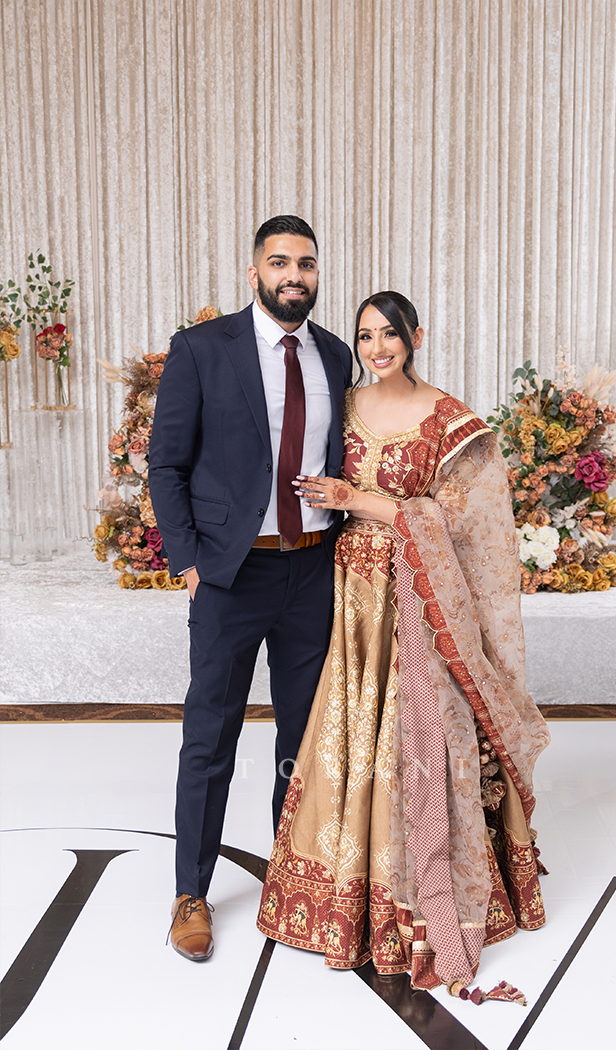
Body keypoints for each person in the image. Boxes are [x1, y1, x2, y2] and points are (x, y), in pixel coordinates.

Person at [256, 291, 550, 999]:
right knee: (348, 731)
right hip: (349, 596)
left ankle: (419, 897)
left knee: (413, 738)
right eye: (365, 336)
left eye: (389, 334)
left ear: (416, 335)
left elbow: (468, 524)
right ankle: (343, 894)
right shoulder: (342, 406)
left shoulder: (451, 421)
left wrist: (358, 500)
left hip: (419, 599)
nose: (377, 347)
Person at [149, 215, 353, 962]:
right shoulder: (203, 349)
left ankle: (293, 882)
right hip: (231, 575)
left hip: (313, 570)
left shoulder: (336, 355)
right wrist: (189, 561)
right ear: (254, 272)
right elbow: (166, 463)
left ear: (317, 273)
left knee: (302, 739)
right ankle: (191, 892)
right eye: (279, 262)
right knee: (211, 736)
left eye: (306, 263)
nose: (294, 275)